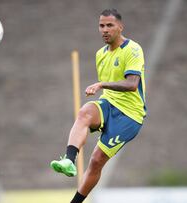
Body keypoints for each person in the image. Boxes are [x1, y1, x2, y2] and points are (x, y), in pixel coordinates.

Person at [50, 8, 146, 203]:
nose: (105, 30)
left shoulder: (133, 49)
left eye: (109, 25)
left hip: (130, 116)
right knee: (84, 112)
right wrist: (103, 90)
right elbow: (111, 92)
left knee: (95, 161)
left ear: (120, 27)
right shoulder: (100, 54)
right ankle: (69, 159)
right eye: (101, 26)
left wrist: (101, 84)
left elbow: (132, 84)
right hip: (109, 103)